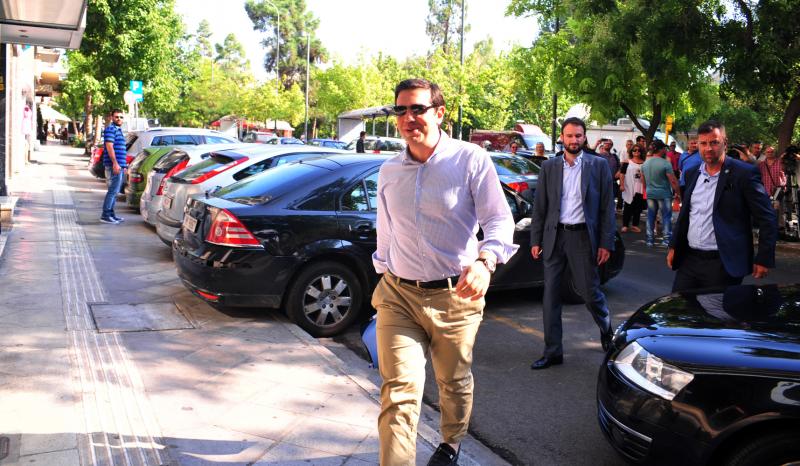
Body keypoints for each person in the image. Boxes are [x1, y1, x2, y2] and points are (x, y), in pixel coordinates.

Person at [372, 78, 517, 466]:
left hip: (456, 296)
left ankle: (451, 441)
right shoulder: (389, 170)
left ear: (439, 113)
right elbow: (385, 229)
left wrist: (486, 262)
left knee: (452, 382)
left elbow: (499, 220)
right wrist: (382, 272)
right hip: (399, 296)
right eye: (401, 110)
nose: (408, 117)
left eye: (417, 109)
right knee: (399, 392)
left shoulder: (471, 160)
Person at [529, 117, 615, 370]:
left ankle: (607, 330)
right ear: (562, 138)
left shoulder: (598, 166)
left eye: (578, 135)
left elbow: (607, 207)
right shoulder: (549, 167)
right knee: (550, 296)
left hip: (582, 238)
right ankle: (552, 351)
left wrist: (606, 243)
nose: (574, 140)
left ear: (584, 137)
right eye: (569, 136)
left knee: (589, 293)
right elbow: (540, 206)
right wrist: (535, 239)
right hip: (554, 237)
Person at [667, 120, 777, 292]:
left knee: (716, 309)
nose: (708, 148)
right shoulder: (691, 173)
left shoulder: (744, 174)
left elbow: (766, 217)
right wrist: (674, 246)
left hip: (723, 263)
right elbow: (686, 214)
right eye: (703, 143)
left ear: (724, 143)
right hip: (689, 260)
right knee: (679, 306)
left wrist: (764, 258)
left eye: (714, 142)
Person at [641, 140, 680, 247]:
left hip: (650, 193)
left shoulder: (645, 164)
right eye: (664, 149)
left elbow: (643, 181)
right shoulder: (665, 163)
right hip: (664, 194)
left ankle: (649, 240)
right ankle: (666, 240)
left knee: (651, 216)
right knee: (666, 216)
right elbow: (673, 181)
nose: (665, 151)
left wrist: (647, 189)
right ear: (660, 149)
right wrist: (678, 193)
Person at [100, 109, 127, 224]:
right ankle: (105, 215)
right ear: (112, 117)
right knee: (112, 191)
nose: (119, 119)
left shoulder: (118, 130)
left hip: (119, 166)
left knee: (115, 191)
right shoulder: (111, 129)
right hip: (113, 165)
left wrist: (123, 165)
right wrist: (115, 163)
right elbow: (109, 147)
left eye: (121, 117)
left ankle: (111, 214)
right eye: (116, 117)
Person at [759, 145, 787, 232]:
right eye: (768, 152)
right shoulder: (761, 165)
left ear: (775, 153)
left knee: (778, 210)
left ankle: (778, 229)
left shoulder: (781, 162)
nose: (770, 153)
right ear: (765, 153)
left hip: (778, 190)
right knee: (766, 210)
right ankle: (768, 228)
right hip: (765, 190)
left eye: (772, 152)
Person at [620, 145, 646, 233]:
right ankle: (625, 225)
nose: (636, 151)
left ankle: (635, 225)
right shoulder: (627, 162)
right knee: (628, 206)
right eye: (634, 150)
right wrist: (622, 185)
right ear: (631, 152)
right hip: (629, 187)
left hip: (640, 187)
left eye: (638, 150)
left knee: (638, 207)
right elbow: (622, 174)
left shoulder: (644, 163)